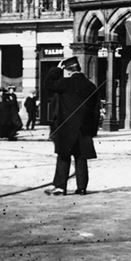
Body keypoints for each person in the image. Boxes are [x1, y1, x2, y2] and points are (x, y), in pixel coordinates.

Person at [43, 56, 100, 196]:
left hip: (66, 128)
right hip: (84, 130)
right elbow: (95, 112)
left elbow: (48, 84)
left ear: (67, 70)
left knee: (63, 157)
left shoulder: (65, 83)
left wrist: (56, 69)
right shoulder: (91, 86)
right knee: (81, 159)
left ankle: (60, 187)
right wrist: (92, 131)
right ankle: (82, 188)